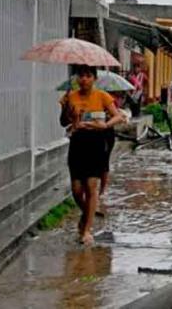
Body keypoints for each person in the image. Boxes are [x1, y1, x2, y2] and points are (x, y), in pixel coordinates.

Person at [60, 65, 125, 245]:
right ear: (77, 79)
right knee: (76, 190)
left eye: (88, 76)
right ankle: (87, 212)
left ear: (94, 79)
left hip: (96, 143)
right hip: (77, 143)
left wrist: (105, 125)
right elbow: (62, 122)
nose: (84, 79)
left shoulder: (102, 96)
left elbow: (118, 116)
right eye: (81, 76)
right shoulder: (70, 97)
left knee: (91, 186)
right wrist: (68, 113)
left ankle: (87, 230)